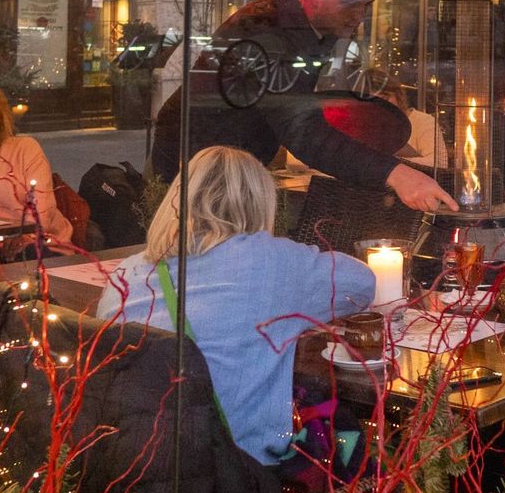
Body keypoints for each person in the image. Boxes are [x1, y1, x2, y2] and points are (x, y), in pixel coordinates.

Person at [97, 146, 376, 467]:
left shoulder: (126, 272)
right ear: (259, 202)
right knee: (351, 441)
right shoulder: (271, 262)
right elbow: (362, 284)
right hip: (237, 477)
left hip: (135, 467)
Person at [150, 0, 457, 213]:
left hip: (234, 159)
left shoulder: (307, 18)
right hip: (190, 160)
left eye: (367, 5)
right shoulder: (267, 35)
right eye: (350, 4)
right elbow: (303, 133)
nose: (358, 17)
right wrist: (398, 174)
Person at [0, 80, 71, 245]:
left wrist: (20, 238)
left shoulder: (25, 149)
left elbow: (42, 214)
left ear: (1, 116)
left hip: (37, 245)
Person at [381, 78, 449, 169]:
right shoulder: (367, 125)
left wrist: (389, 161)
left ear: (399, 96)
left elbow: (439, 164)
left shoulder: (423, 121)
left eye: (384, 98)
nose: (380, 104)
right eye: (372, 101)